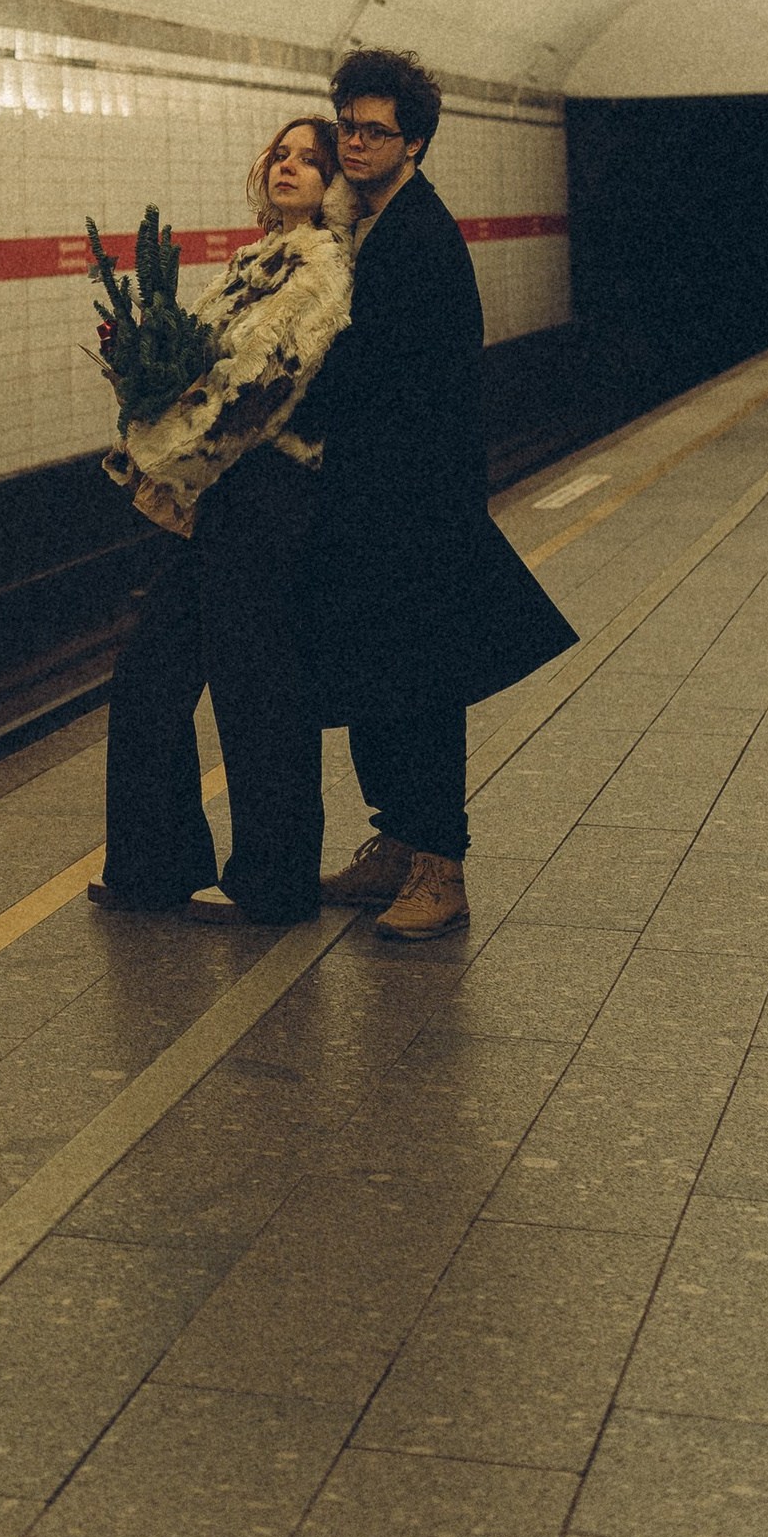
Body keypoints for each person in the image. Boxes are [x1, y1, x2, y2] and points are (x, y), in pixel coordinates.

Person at [299, 46, 576, 941]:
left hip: (414, 504)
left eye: (375, 132)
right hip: (372, 498)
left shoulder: (419, 236)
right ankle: (396, 843)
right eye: (347, 126)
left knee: (420, 687)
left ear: (414, 143)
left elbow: (385, 374)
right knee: (377, 678)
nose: (354, 143)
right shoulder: (366, 225)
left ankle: (440, 868)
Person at [90, 115, 353, 924]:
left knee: (258, 695)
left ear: (334, 185)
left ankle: (275, 883)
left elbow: (257, 390)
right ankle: (155, 864)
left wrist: (164, 453)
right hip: (218, 496)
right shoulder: (255, 262)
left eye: (311, 160)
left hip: (267, 498)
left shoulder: (321, 270)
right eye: (281, 153)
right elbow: (201, 369)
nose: (289, 167)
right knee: (149, 677)